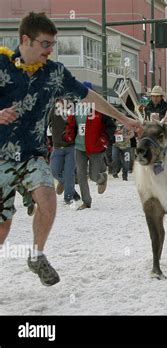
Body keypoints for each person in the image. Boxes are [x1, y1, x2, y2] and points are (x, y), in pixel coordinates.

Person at [0, 12, 141, 286]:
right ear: (25, 40)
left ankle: (37, 255)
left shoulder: (54, 74)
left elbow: (89, 96)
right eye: (44, 44)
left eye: (53, 44)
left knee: (48, 199)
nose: (50, 50)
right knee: (3, 226)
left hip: (32, 155)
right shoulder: (1, 66)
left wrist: (124, 118)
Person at [64, 82, 117, 210]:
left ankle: (101, 179)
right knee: (81, 175)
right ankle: (86, 202)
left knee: (93, 175)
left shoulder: (99, 108)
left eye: (87, 93)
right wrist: (68, 134)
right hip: (79, 147)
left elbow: (111, 126)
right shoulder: (76, 108)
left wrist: (104, 138)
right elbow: (71, 125)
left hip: (95, 147)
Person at [49, 99, 81, 204]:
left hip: (71, 147)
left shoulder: (73, 108)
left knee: (69, 173)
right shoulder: (51, 109)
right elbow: (46, 123)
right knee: (55, 171)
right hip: (57, 147)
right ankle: (71, 190)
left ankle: (68, 197)